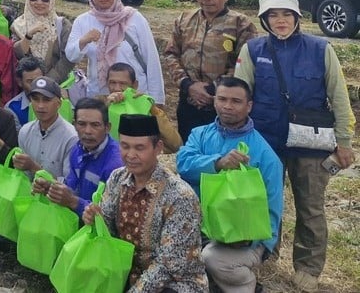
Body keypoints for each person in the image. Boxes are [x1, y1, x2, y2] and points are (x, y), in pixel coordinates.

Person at [235, 0, 355, 292]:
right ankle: (266, 257)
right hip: (266, 143)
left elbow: (339, 98)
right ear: (264, 20)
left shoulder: (320, 49)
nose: (280, 21)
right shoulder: (253, 50)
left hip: (310, 145)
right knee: (263, 202)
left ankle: (308, 268)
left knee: (310, 207)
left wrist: (344, 142)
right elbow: (239, 96)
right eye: (273, 15)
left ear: (297, 17)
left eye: (286, 14)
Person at [176, 77, 283, 293]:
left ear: (249, 106)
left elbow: (273, 208)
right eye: (222, 99)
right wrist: (217, 163)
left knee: (212, 258)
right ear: (214, 100)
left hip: (240, 238)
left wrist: (252, 242)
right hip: (198, 226)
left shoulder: (265, 154)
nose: (227, 106)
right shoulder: (200, 134)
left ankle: (247, 285)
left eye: (236, 101)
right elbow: (183, 164)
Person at [83, 114, 209, 292]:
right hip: (126, 274)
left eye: (139, 148)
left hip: (175, 283)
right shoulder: (117, 178)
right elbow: (109, 233)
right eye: (125, 146)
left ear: (158, 148)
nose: (130, 155)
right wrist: (95, 219)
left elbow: (168, 265)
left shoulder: (180, 196)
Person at [163, 0, 257, 142]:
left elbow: (243, 63)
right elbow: (171, 54)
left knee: (222, 149)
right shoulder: (184, 19)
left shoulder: (241, 24)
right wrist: (188, 85)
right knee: (190, 146)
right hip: (188, 100)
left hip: (223, 103)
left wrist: (213, 89)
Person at [66, 0, 165, 103]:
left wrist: (157, 99)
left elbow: (151, 59)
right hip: (100, 96)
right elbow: (71, 56)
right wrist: (84, 40)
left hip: (135, 96)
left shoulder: (134, 18)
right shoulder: (83, 21)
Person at [32, 98, 122, 218]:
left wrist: (73, 202)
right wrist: (51, 188)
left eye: (95, 125)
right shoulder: (77, 150)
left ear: (107, 127)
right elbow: (71, 186)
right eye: (82, 124)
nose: (88, 131)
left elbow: (111, 215)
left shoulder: (116, 164)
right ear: (74, 125)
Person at [105, 62, 183, 154]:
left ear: (135, 85)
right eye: (112, 83)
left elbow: (176, 144)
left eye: (123, 83)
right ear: (107, 83)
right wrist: (104, 109)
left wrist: (151, 109)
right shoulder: (100, 104)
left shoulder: (145, 106)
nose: (117, 88)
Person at [9, 0, 75, 83]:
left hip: (57, 85)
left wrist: (46, 81)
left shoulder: (62, 25)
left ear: (52, 0)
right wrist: (29, 35)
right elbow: (17, 55)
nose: (39, 2)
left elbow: (68, 59)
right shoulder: (18, 25)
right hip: (28, 86)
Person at [11, 77, 78, 180]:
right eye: (35, 99)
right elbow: (23, 177)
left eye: (46, 100)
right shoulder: (25, 131)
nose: (40, 106)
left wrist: (34, 167)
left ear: (59, 104)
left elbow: (69, 185)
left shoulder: (71, 138)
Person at [4, 55, 44, 127]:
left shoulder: (55, 99)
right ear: (20, 82)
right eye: (30, 81)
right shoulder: (12, 108)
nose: (35, 85)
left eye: (38, 80)